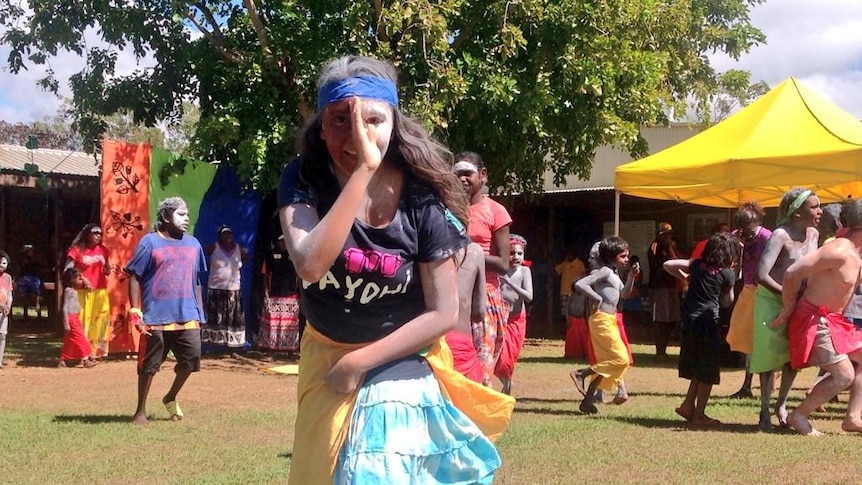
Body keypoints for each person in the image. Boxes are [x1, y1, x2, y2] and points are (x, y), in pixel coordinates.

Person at [278, 55, 509, 484]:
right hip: (326, 352)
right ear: (321, 128)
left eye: (374, 120)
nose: (358, 135)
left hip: (403, 354)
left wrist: (360, 362)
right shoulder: (303, 177)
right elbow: (310, 264)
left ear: (394, 124)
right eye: (341, 120)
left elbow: (442, 312)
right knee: (319, 475)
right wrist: (364, 172)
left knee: (375, 469)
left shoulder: (422, 198)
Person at [771, 199, 862, 436]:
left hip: (834, 321)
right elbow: (793, 272)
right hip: (814, 318)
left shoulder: (856, 253)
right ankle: (798, 415)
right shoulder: (839, 250)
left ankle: (853, 417)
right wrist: (788, 308)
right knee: (844, 375)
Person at [125, 197, 207, 425]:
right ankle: (140, 411)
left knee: (191, 361)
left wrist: (200, 311)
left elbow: (197, 281)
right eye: (181, 214)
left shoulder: (194, 244)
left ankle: (170, 397)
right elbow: (134, 275)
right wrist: (135, 310)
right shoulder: (149, 243)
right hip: (156, 315)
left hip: (188, 314)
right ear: (165, 217)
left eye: (187, 214)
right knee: (149, 366)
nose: (186, 218)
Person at [750, 188, 821, 431]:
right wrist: (787, 295)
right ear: (797, 212)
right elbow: (761, 274)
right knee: (769, 358)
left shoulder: (813, 234)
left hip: (800, 303)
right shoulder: (780, 235)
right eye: (814, 207)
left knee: (794, 356)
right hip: (771, 301)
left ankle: (782, 406)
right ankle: (764, 410)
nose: (819, 211)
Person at [664, 233, 738, 426]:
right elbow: (727, 302)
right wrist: (729, 287)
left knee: (699, 366)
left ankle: (688, 405)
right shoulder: (726, 273)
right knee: (708, 370)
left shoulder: (696, 265)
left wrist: (685, 278)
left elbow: (668, 265)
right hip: (708, 322)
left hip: (689, 321)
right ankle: (700, 415)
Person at [454, 151, 513, 387]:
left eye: (467, 173)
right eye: (456, 174)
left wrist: (468, 254)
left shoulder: (496, 212)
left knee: (479, 370)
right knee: (454, 364)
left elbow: (503, 264)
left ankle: (478, 419)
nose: (462, 179)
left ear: (483, 175)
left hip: (485, 298)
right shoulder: (445, 209)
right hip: (452, 296)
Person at [570, 236, 639, 414]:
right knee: (621, 359)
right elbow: (580, 284)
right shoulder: (605, 272)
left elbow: (623, 294)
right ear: (611, 256)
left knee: (606, 362)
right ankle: (581, 374)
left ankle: (587, 401)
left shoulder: (614, 273)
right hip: (601, 320)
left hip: (609, 320)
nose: (626, 259)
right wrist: (596, 297)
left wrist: (631, 276)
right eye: (623, 256)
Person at [726, 202, 771, 399]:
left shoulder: (768, 237)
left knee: (761, 338)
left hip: (765, 291)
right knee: (743, 335)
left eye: (750, 229)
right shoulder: (737, 235)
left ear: (758, 222)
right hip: (747, 288)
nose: (747, 233)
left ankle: (761, 385)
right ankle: (746, 385)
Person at [65, 223, 112, 359]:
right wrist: (82, 278)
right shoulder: (76, 250)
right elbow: (68, 270)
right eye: (95, 232)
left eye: (100, 233)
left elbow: (106, 268)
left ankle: (95, 352)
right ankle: (82, 353)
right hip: (82, 292)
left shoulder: (103, 250)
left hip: (100, 291)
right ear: (87, 234)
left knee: (100, 320)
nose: (98, 235)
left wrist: (107, 269)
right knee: (83, 321)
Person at [495, 234, 533, 395]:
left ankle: (508, 381)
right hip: (498, 318)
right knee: (495, 355)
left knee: (509, 357)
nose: (516, 257)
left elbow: (529, 296)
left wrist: (509, 283)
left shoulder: (524, 271)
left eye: (519, 253)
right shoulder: (498, 271)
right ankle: (506, 382)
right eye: (512, 253)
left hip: (517, 319)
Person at [202, 225, 248, 350]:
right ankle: (214, 347)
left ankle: (232, 348)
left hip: (233, 290)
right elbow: (201, 253)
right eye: (224, 234)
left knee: (232, 319)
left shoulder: (240, 249)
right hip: (216, 289)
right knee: (216, 318)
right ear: (220, 237)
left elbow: (246, 259)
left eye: (229, 234)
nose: (227, 236)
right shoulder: (214, 248)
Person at [447, 241, 486, 383]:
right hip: (460, 346)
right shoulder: (474, 251)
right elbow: (479, 313)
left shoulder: (420, 245)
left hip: (425, 344)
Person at [257, 234, 300, 356]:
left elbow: (300, 274)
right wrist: (265, 291)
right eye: (281, 241)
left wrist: (299, 292)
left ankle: (289, 350)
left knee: (289, 324)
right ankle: (272, 348)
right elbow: (265, 274)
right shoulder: (271, 256)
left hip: (291, 295)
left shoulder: (295, 256)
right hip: (274, 294)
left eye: (285, 241)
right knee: (273, 323)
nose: (283, 244)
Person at [648, 222, 682, 360]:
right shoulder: (655, 247)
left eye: (669, 235)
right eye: (665, 235)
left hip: (672, 286)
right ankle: (659, 351)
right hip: (660, 287)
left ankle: (664, 350)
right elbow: (659, 267)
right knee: (661, 320)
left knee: (671, 320)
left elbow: (676, 261)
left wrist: (670, 247)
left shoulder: (671, 247)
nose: (667, 237)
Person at [58, 267, 98, 368]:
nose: (80, 279)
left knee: (69, 341)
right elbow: (65, 307)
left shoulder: (74, 290)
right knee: (80, 338)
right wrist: (66, 323)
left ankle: (63, 360)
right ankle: (85, 359)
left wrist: (83, 279)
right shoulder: (69, 291)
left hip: (75, 317)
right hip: (71, 318)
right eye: (78, 278)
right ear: (71, 280)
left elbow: (90, 286)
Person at [556, 246, 586, 321]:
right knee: (564, 310)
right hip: (564, 291)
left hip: (574, 292)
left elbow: (583, 276)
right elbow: (556, 271)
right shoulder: (565, 263)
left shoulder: (580, 264)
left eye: (569, 255)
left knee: (573, 310)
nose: (567, 256)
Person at [17, 244, 44, 319]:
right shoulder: (21, 260)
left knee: (36, 284)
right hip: (24, 278)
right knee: (23, 289)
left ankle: (37, 303)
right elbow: (20, 270)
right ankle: (25, 311)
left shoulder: (36, 260)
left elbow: (39, 270)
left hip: (34, 277)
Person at [0, 251, 12, 368]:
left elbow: (9, 294)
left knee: (3, 335)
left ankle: (0, 359)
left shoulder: (8, 278)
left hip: (4, 312)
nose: (2, 265)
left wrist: (8, 306)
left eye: (4, 263)